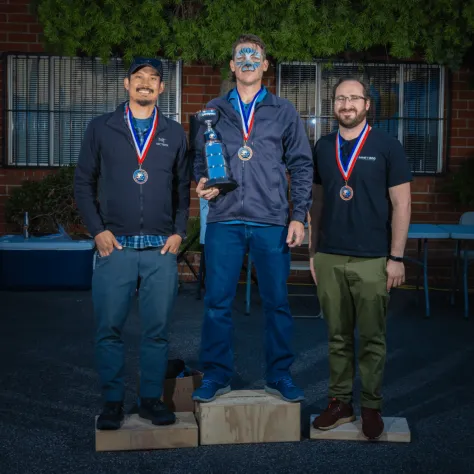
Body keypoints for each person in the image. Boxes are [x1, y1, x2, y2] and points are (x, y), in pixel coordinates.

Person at [191, 34, 313, 403]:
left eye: (254, 56)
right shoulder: (212, 110)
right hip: (224, 218)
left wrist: (299, 216)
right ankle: (215, 375)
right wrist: (201, 182)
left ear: (264, 65)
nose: (246, 61)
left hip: (272, 220)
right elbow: (200, 161)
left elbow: (302, 165)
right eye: (240, 56)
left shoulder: (284, 111)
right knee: (217, 302)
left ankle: (278, 375)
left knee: (277, 302)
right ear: (231, 66)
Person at [74, 57, 191, 430]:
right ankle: (112, 402)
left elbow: (182, 189)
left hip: (160, 249)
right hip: (116, 247)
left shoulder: (173, 133)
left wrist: (178, 232)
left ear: (161, 88)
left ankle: (150, 399)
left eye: (153, 78)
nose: (145, 83)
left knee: (156, 332)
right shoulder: (102, 128)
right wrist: (97, 230)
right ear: (126, 85)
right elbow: (83, 183)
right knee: (109, 329)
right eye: (138, 78)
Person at [309, 76, 412, 440]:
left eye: (354, 98)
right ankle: (340, 402)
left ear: (367, 104)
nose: (347, 105)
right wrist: (313, 252)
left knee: (371, 338)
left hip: (373, 259)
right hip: (331, 257)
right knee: (336, 337)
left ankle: (371, 406)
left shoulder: (387, 146)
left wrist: (396, 256)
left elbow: (402, 203)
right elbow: (317, 203)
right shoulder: (322, 146)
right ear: (333, 104)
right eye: (340, 99)